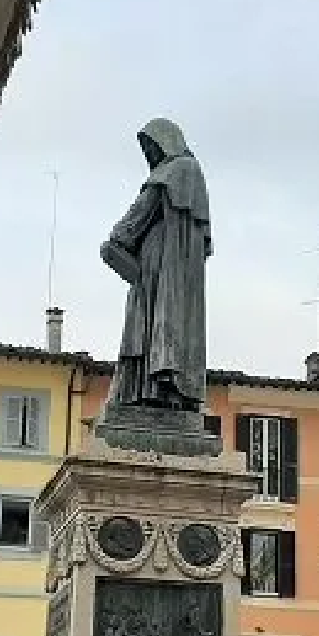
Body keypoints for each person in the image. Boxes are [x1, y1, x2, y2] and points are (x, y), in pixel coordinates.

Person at [98, 118, 212, 415]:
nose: (149, 155)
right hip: (178, 272)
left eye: (151, 146)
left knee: (147, 324)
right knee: (165, 325)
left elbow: (137, 216)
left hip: (158, 266)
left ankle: (146, 390)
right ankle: (166, 391)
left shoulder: (174, 170)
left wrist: (115, 240)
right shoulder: (193, 175)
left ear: (165, 141)